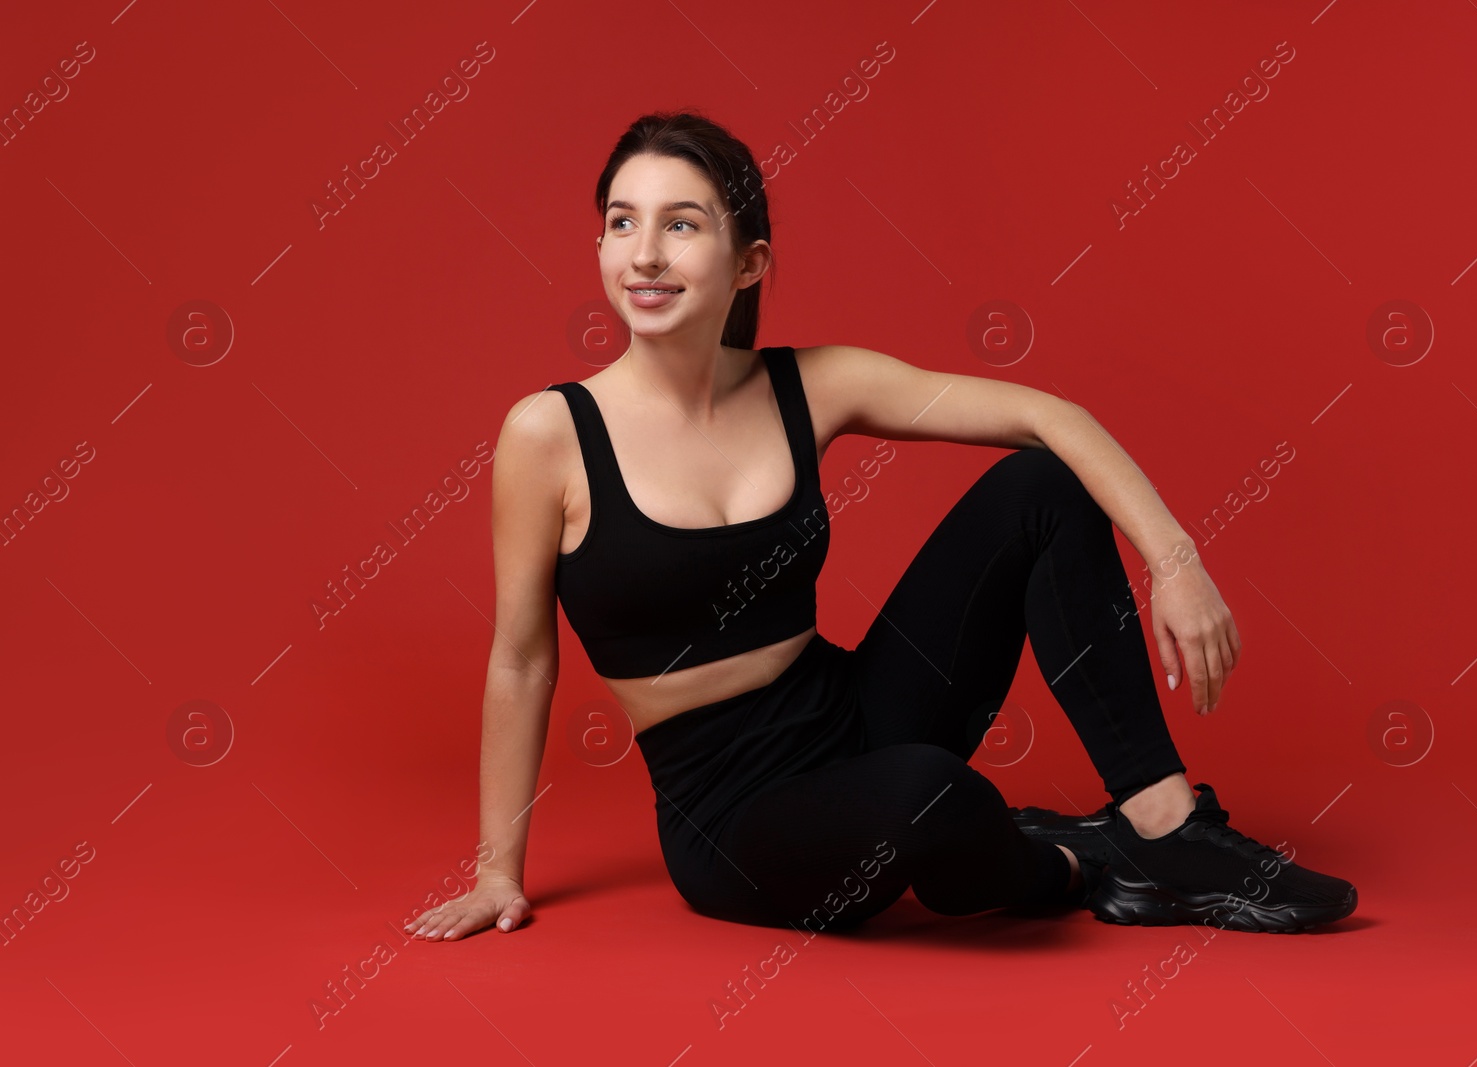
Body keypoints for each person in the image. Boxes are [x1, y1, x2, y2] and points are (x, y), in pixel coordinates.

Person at [405, 109, 1356, 942]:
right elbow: (523, 659)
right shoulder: (549, 435)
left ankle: (1166, 828)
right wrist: (499, 870)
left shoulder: (809, 383)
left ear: (750, 263)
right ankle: (1084, 869)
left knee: (1040, 485)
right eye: (622, 223)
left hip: (857, 706)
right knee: (929, 794)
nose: (644, 254)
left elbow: (1046, 418)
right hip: (733, 811)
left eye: (680, 224)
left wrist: (1176, 561)